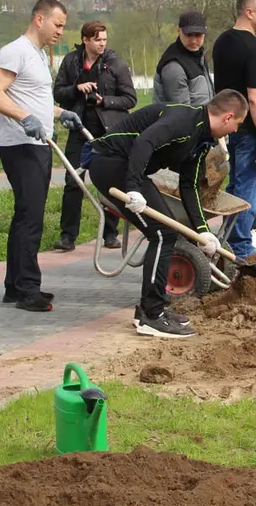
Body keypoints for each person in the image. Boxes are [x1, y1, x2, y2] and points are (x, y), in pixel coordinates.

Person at [86, 90, 247, 338]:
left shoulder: (202, 139)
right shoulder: (184, 120)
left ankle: (151, 309)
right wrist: (133, 187)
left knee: (165, 234)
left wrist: (203, 231)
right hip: (110, 162)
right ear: (227, 117)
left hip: (127, 166)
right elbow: (144, 142)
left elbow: (189, 185)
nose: (235, 130)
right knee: (163, 234)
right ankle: (151, 316)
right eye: (237, 123)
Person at [0, 0, 85, 311]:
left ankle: (14, 287)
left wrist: (60, 112)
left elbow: (31, 98)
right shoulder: (15, 51)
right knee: (31, 218)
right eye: (57, 24)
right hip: (21, 145)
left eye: (63, 26)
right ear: (40, 19)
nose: (60, 31)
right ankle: (29, 290)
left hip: (37, 143)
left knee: (24, 215)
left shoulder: (38, 55)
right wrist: (24, 118)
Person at [51, 21, 138, 251]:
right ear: (85, 40)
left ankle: (110, 233)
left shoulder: (116, 64)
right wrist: (76, 89)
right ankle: (68, 236)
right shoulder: (71, 61)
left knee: (110, 183)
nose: (102, 44)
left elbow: (130, 99)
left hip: (108, 132)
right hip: (79, 130)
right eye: (97, 40)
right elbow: (58, 92)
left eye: (104, 40)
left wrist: (104, 100)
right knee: (73, 181)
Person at [212, 0, 256, 260]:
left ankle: (227, 242)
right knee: (247, 190)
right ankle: (241, 249)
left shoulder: (222, 43)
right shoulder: (255, 49)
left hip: (229, 126)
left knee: (235, 188)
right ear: (249, 12)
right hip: (250, 130)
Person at [154, 11, 214, 106]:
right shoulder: (173, 67)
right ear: (179, 31)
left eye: (198, 35)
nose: (193, 40)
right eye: (189, 34)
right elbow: (182, 111)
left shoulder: (198, 55)